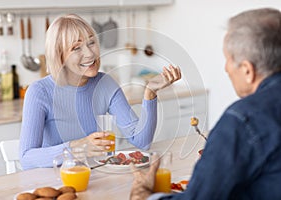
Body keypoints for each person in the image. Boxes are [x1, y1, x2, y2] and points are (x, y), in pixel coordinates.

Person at [130, 7, 281, 200]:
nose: (226, 68)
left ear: (247, 70)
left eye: (228, 59)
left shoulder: (243, 119)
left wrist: (142, 193)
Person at [19, 14, 181, 170]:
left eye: (91, 43)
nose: (90, 54)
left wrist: (150, 93)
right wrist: (77, 147)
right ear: (59, 56)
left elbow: (142, 141)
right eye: (76, 48)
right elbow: (26, 158)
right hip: (56, 183)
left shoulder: (105, 84)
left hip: (97, 176)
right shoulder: (39, 92)